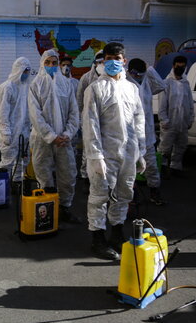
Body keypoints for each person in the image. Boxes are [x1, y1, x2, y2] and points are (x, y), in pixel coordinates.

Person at [82, 42, 146, 260]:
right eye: (108, 58)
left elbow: (139, 120)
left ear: (124, 60)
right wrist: (95, 155)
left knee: (124, 194)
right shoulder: (95, 89)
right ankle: (97, 239)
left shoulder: (132, 88)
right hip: (104, 154)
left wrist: (141, 151)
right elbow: (90, 124)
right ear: (103, 61)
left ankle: (117, 234)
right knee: (99, 196)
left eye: (116, 58)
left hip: (128, 152)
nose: (112, 62)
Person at [28, 49, 80, 223]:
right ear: (42, 64)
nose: (51, 66)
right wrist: (51, 136)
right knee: (44, 174)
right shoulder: (36, 85)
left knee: (68, 174)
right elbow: (35, 115)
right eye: (48, 62)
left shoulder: (66, 84)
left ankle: (64, 208)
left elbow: (74, 112)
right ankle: (48, 210)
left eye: (54, 63)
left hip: (64, 140)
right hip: (42, 139)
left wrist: (67, 134)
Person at [126, 58, 167, 205]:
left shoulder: (147, 82)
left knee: (152, 166)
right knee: (129, 168)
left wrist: (149, 69)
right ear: (130, 72)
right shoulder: (124, 84)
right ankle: (131, 197)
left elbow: (161, 85)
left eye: (140, 74)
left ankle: (154, 192)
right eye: (135, 75)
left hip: (147, 134)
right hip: (130, 135)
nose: (138, 77)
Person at [0, 57, 32, 185]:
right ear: (18, 70)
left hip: (24, 132)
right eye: (25, 71)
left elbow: (27, 112)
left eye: (28, 71)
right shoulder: (7, 88)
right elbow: (2, 113)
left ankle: (17, 183)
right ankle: (2, 188)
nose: (26, 74)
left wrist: (30, 129)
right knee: (8, 160)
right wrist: (5, 132)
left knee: (22, 159)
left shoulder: (26, 88)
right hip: (10, 132)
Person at [158, 55, 193, 178]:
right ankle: (161, 167)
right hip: (170, 121)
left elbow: (189, 102)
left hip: (182, 122)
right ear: (173, 66)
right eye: (178, 66)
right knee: (165, 147)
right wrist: (164, 120)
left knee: (181, 146)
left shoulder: (185, 83)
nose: (181, 68)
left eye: (183, 66)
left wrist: (190, 118)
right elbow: (162, 105)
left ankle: (175, 167)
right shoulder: (166, 83)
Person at [76, 52, 105, 180]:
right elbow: (79, 100)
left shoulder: (112, 79)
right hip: (88, 120)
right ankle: (85, 176)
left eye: (104, 61)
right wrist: (81, 119)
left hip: (106, 122)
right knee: (88, 148)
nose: (101, 64)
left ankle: (101, 175)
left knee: (104, 151)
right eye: (99, 62)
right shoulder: (86, 78)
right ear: (94, 63)